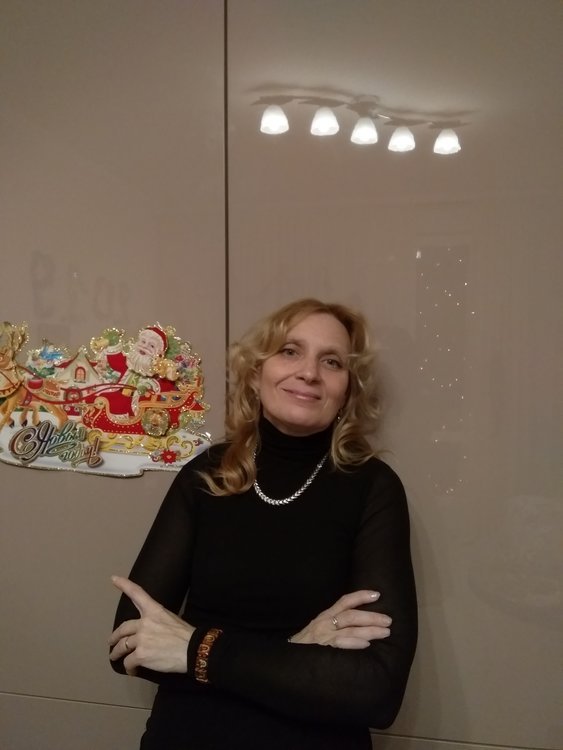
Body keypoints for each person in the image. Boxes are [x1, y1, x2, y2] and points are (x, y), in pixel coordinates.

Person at [109, 298, 418, 750]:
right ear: (256, 373)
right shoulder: (205, 475)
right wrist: (297, 653)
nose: (309, 372)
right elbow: (129, 645)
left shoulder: (374, 488)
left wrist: (194, 649)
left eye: (331, 361)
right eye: (290, 351)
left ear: (348, 390)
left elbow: (376, 691)